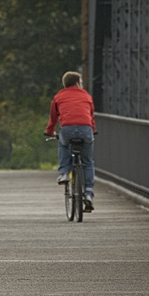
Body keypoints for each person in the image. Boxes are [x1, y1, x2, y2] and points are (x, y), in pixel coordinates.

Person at [44, 70, 97, 211]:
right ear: (77, 83)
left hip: (67, 129)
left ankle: (64, 173)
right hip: (86, 129)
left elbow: (53, 118)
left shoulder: (58, 96)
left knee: (63, 144)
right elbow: (91, 116)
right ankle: (89, 193)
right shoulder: (86, 96)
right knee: (87, 161)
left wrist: (49, 131)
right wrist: (94, 130)